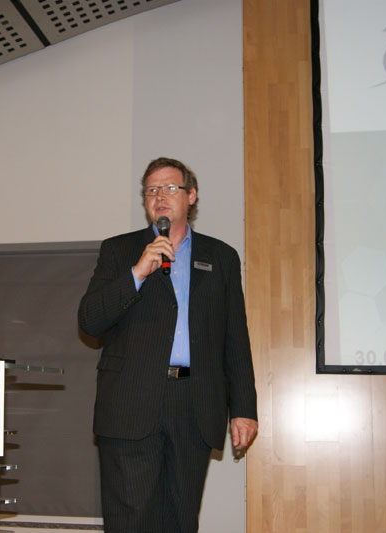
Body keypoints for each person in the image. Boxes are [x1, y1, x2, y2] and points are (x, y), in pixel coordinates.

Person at [78, 157, 258, 533]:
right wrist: (136, 274)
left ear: (191, 196)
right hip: (130, 403)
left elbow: (235, 338)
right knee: (130, 521)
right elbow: (89, 321)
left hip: (194, 404)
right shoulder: (119, 251)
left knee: (180, 520)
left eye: (170, 188)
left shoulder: (221, 257)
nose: (160, 196)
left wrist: (243, 408)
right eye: (152, 190)